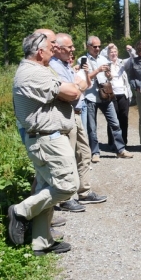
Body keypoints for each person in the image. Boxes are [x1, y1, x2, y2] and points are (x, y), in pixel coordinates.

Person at [9, 32, 81, 255]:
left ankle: (41, 242)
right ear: (40, 52)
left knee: (45, 188)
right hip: (46, 139)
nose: (54, 48)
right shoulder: (33, 73)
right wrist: (75, 85)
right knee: (67, 185)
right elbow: (72, 91)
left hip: (45, 137)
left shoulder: (36, 70)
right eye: (51, 45)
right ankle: (20, 210)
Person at [50, 33, 108, 212]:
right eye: (69, 47)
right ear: (58, 48)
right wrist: (77, 86)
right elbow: (73, 91)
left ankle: (84, 191)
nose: (73, 49)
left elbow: (84, 84)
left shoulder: (64, 65)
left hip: (76, 112)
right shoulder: (54, 66)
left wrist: (77, 85)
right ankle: (66, 197)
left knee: (84, 152)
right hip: (67, 114)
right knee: (69, 157)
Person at [81, 35, 133, 162]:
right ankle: (95, 152)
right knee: (92, 127)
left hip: (106, 95)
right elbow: (83, 79)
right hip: (91, 96)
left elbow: (108, 78)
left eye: (99, 46)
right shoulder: (83, 60)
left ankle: (120, 149)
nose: (97, 48)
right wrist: (98, 70)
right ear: (88, 47)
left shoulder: (103, 58)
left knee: (115, 123)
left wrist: (109, 75)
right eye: (95, 46)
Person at [100, 43, 136, 148]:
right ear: (108, 54)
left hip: (123, 94)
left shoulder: (122, 62)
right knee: (112, 119)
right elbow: (101, 55)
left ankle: (123, 142)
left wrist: (130, 50)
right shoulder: (105, 63)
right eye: (111, 52)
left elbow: (134, 58)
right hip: (111, 94)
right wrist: (107, 47)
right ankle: (112, 142)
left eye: (115, 51)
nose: (113, 53)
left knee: (123, 118)